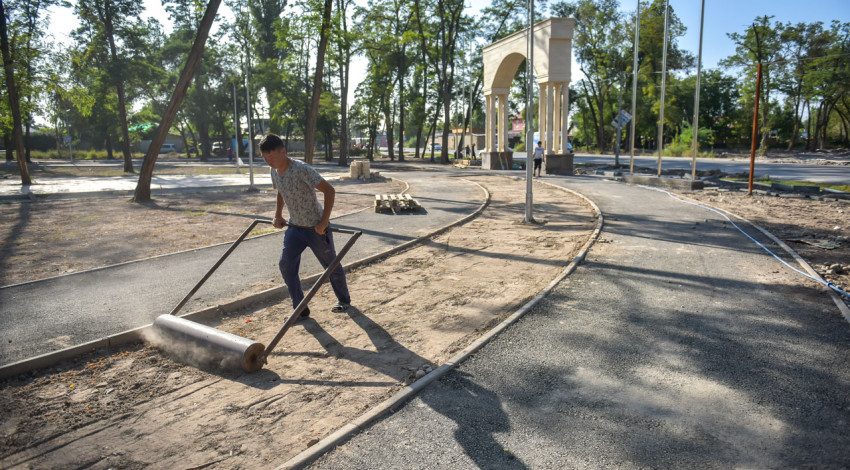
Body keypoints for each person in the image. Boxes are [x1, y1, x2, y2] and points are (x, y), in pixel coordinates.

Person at [259, 133, 351, 321]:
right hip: (295, 227)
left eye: (272, 156)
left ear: (283, 151)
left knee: (330, 265)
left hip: (316, 228)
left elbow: (329, 190)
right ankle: (300, 309)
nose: (269, 161)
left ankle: (344, 300)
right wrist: (278, 215)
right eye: (265, 158)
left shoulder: (301, 169)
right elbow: (281, 191)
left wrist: (323, 221)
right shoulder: (274, 171)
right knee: (286, 264)